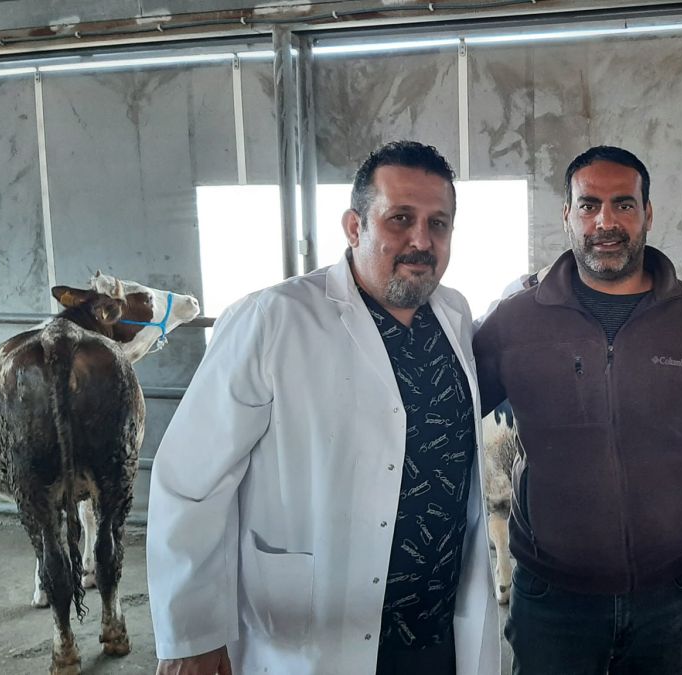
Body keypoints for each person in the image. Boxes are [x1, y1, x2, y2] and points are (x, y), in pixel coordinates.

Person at [146, 141, 499, 675]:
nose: (421, 240)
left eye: (439, 224)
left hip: (437, 630)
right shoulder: (272, 318)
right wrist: (190, 635)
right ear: (355, 227)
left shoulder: (454, 314)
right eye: (400, 218)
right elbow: (191, 482)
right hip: (310, 636)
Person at [473, 145, 682, 674]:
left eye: (624, 204)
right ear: (567, 215)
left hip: (670, 597)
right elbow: (444, 411)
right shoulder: (515, 322)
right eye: (589, 205)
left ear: (648, 214)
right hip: (551, 598)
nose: (606, 221)